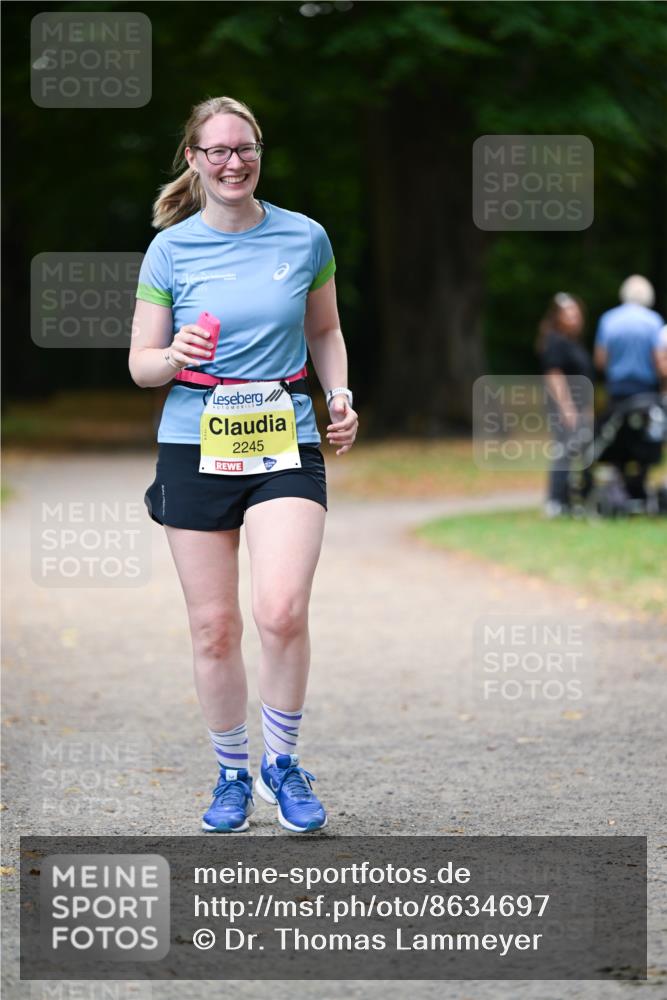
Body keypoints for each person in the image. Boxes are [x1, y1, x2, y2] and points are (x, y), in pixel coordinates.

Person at [128, 96, 358, 833]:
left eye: (245, 147)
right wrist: (171, 356)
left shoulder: (306, 236)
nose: (234, 162)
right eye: (218, 150)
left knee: (281, 610)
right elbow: (140, 365)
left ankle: (281, 765)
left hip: (284, 437)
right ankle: (230, 771)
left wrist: (340, 394)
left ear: (259, 151)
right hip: (195, 442)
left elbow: (324, 330)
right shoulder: (170, 249)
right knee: (214, 628)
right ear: (194, 160)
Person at [594, 275, 665, 500]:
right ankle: (638, 483)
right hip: (646, 392)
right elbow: (659, 360)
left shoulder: (608, 319)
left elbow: (600, 359)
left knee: (616, 437)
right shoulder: (653, 321)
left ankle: (620, 486)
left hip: (617, 391)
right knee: (645, 441)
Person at [536, 292, 595, 516]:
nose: (573, 318)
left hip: (579, 408)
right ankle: (556, 501)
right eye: (568, 314)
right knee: (564, 451)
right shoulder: (555, 341)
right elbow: (554, 375)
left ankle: (576, 498)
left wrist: (586, 410)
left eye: (576, 314)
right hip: (565, 409)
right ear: (557, 317)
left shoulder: (573, 343)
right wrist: (566, 407)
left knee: (581, 452)